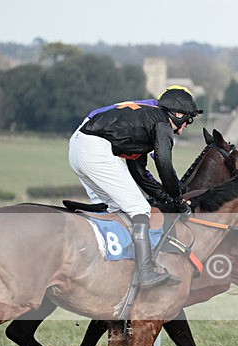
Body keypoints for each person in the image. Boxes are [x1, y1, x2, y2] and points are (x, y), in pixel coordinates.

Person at [68, 85, 201, 287]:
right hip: (94, 149)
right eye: (189, 120)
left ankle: (107, 266)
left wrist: (166, 198)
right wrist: (178, 200)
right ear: (178, 114)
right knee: (140, 209)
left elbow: (139, 173)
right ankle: (146, 271)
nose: (187, 126)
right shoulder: (162, 124)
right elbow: (164, 165)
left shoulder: (143, 124)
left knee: (115, 209)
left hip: (78, 147)